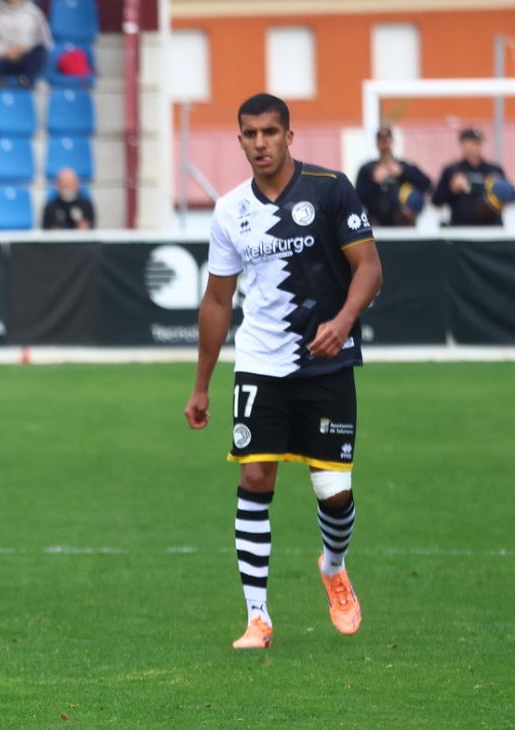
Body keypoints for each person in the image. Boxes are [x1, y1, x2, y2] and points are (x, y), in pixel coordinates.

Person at [185, 93, 382, 650]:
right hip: (261, 365)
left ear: (289, 137)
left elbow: (369, 267)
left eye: (271, 132)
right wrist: (201, 385)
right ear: (240, 139)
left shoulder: (329, 188)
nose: (261, 142)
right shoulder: (229, 210)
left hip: (327, 363)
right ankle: (257, 617)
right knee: (254, 479)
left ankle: (333, 567)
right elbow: (218, 301)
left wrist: (343, 320)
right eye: (250, 134)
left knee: (333, 493)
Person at [354, 125, 432, 228]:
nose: (384, 144)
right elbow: (357, 199)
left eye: (387, 140)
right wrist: (374, 181)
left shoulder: (405, 166)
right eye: (381, 141)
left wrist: (403, 173)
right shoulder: (367, 169)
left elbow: (427, 185)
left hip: (403, 224)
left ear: (392, 142)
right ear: (377, 143)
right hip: (376, 224)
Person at [431, 128, 510, 228]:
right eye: (473, 143)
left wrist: (500, 190)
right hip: (461, 229)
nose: (477, 147)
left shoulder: (494, 170)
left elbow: (510, 196)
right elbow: (436, 201)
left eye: (479, 143)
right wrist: (452, 189)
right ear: (463, 144)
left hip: (490, 229)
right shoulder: (451, 170)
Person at [0, 0, 51, 88]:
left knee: (39, 50)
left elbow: (45, 41)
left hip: (25, 59)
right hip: (1, 60)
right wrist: (4, 51)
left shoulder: (34, 12)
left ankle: (27, 80)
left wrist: (24, 48)